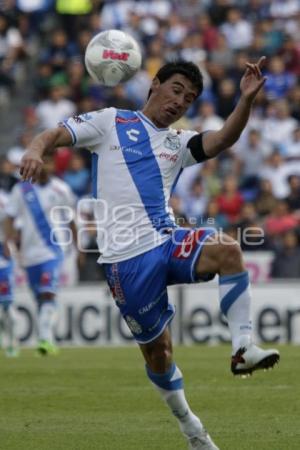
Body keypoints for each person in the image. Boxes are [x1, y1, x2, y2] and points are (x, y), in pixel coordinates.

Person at [19, 59, 280, 450]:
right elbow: (55, 134)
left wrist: (244, 100)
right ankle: (191, 428)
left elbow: (224, 138)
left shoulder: (178, 143)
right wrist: (34, 150)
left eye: (189, 99)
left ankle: (243, 347)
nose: (180, 102)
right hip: (125, 262)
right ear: (154, 85)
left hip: (167, 240)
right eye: (176, 90)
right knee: (159, 355)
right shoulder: (110, 122)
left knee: (227, 250)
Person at [5, 158, 77, 355]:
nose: (45, 168)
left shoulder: (62, 189)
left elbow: (72, 220)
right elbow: (9, 218)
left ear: (53, 166)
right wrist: (8, 241)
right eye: (42, 164)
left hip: (54, 250)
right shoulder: (21, 190)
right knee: (39, 299)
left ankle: (44, 339)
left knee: (48, 292)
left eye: (48, 164)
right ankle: (48, 339)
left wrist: (77, 248)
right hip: (28, 254)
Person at [0, 188, 19, 357]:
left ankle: (12, 343)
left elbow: (14, 223)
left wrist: (8, 241)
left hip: (2, 254)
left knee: (6, 303)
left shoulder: (4, 199)